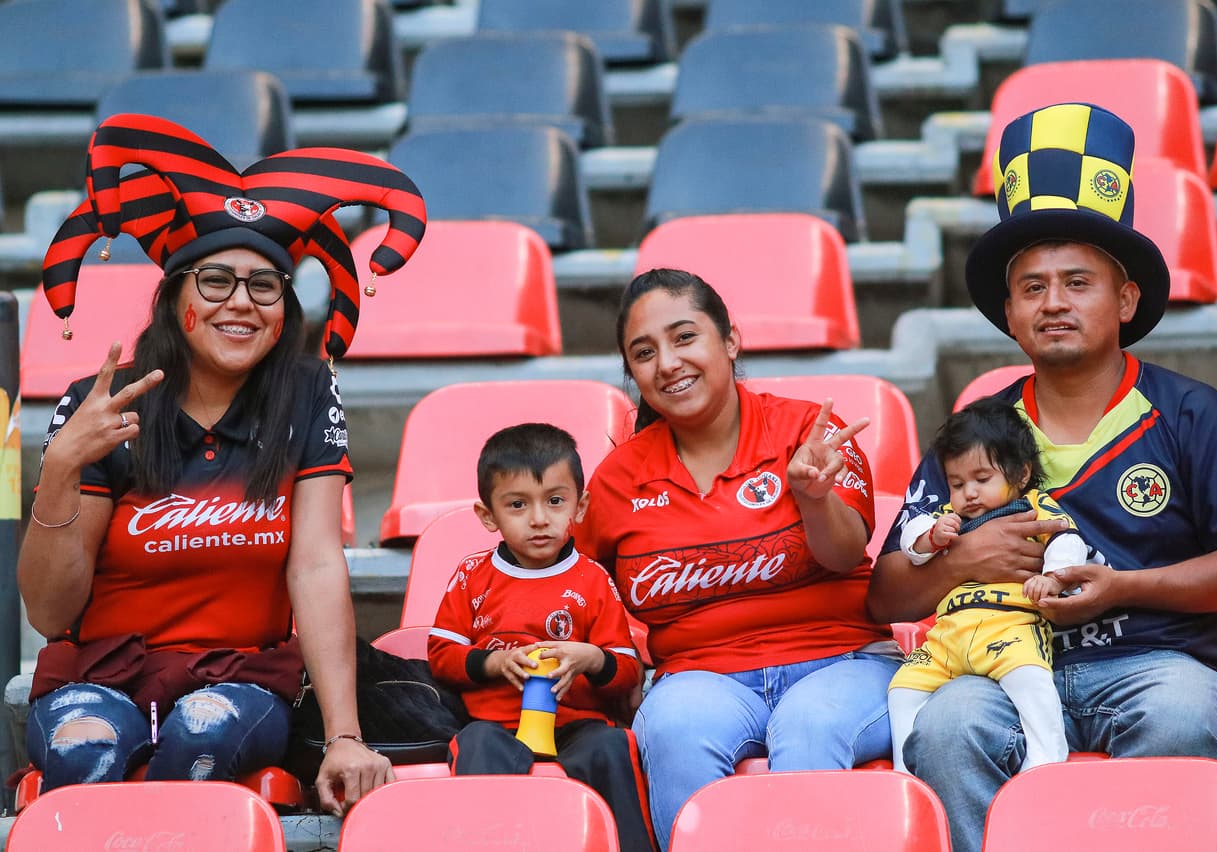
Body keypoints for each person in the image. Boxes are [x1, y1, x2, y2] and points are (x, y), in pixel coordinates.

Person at [868, 102, 1217, 852]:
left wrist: (1122, 588)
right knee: (947, 726)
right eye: (1032, 288)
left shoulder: (1192, 413)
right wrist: (963, 560)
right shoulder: (977, 429)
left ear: (1125, 299)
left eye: (1078, 282)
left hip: (1154, 664)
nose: (1053, 302)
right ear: (1009, 313)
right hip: (994, 665)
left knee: (1185, 715)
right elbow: (886, 594)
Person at [18, 112, 427, 815]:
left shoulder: (306, 392)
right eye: (215, 281)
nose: (241, 302)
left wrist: (345, 737)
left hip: (240, 680)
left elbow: (316, 565)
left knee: (199, 741)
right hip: (100, 675)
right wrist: (59, 470)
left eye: (265, 285)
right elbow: (49, 610)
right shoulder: (98, 404)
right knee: (85, 751)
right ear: (174, 297)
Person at [576, 268, 903, 851]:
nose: (667, 363)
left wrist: (812, 497)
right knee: (674, 728)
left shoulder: (808, 431)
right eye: (644, 353)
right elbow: (576, 587)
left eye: (685, 337)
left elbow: (845, 553)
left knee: (807, 725)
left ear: (730, 341)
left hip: (844, 662)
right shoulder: (617, 479)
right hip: (699, 677)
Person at [427, 423, 654, 852]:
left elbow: (627, 670)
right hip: (497, 725)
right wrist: (494, 662)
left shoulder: (593, 579)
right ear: (488, 516)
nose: (538, 519)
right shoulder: (472, 575)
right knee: (475, 744)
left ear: (580, 507)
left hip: (577, 724)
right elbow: (441, 655)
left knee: (612, 745)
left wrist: (591, 658)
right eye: (517, 504)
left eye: (554, 501)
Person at [888, 396, 1100, 774]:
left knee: (1030, 680)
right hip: (948, 638)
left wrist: (1052, 577)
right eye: (957, 484)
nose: (969, 493)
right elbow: (911, 543)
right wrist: (930, 538)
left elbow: (1067, 539)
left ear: (1021, 474)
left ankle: (1045, 761)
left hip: (1011, 627)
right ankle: (907, 774)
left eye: (982, 480)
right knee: (902, 689)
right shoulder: (948, 519)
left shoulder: (1033, 507)